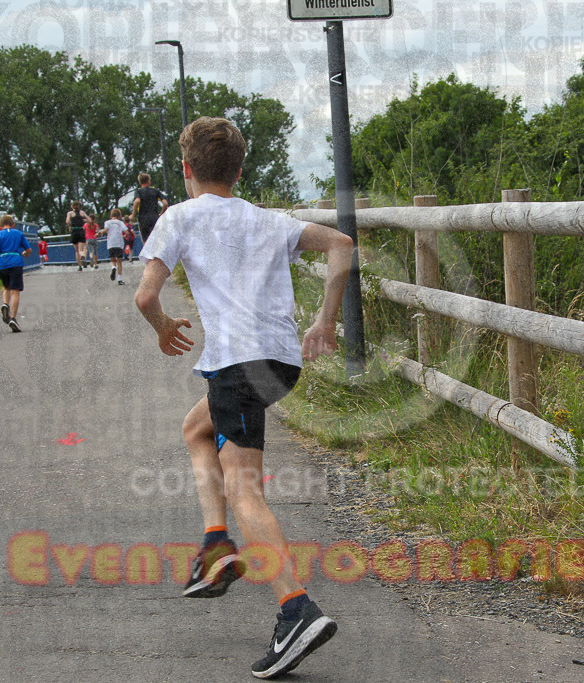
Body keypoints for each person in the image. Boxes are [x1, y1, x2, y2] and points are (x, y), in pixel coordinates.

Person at [135, 116, 353, 679]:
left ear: (186, 171)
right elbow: (342, 244)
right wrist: (325, 322)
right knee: (195, 429)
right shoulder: (267, 219)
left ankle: (295, 607)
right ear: (238, 169)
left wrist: (162, 326)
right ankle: (215, 547)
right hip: (280, 363)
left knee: (244, 489)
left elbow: (144, 295)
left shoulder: (178, 216)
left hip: (237, 367)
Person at [0, 214, 32, 333]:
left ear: (0, 226)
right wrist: (24, 254)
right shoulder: (18, 234)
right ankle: (12, 318)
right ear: (13, 224)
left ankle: (5, 304)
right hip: (15, 262)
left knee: (7, 288)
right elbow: (28, 250)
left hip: (2, 263)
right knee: (15, 291)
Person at [131, 173, 168, 242]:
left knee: (146, 242)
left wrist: (133, 215)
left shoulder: (138, 191)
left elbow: (137, 201)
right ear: (148, 181)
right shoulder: (155, 191)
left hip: (143, 219)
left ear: (140, 182)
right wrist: (161, 214)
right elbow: (165, 203)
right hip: (154, 218)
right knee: (157, 240)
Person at [99, 208, 127, 285]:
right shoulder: (120, 223)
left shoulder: (107, 222)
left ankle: (113, 267)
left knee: (113, 259)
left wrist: (100, 233)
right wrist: (125, 235)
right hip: (119, 243)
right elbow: (126, 231)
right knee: (119, 261)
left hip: (111, 243)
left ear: (111, 215)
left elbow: (105, 230)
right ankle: (120, 279)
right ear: (119, 216)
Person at [65, 200, 91, 270]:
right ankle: (83, 256)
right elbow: (89, 220)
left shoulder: (70, 213)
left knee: (76, 251)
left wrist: (71, 223)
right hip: (81, 230)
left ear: (72, 206)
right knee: (82, 249)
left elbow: (67, 221)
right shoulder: (82, 213)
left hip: (74, 231)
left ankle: (79, 266)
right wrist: (84, 220)